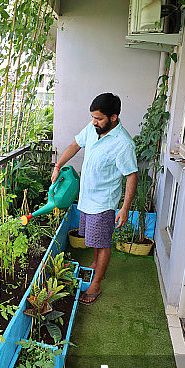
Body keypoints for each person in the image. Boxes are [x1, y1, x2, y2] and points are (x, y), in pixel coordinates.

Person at [52, 93, 138, 304]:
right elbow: (75, 145)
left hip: (103, 203)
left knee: (103, 243)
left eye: (99, 118)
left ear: (113, 117)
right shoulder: (93, 129)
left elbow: (131, 176)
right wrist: (57, 166)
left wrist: (125, 208)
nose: (94, 122)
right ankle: (95, 265)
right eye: (93, 117)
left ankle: (96, 285)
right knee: (95, 242)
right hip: (87, 198)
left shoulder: (123, 144)